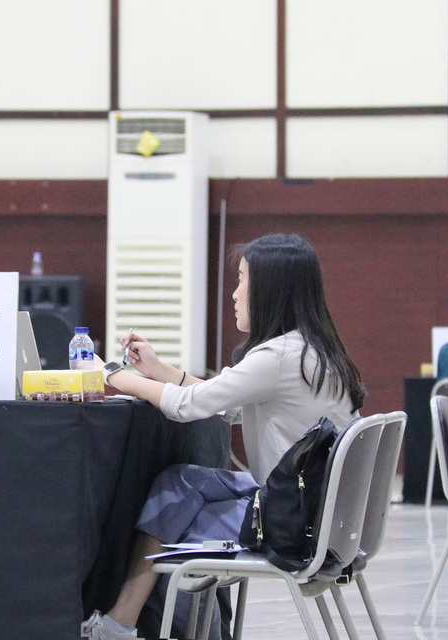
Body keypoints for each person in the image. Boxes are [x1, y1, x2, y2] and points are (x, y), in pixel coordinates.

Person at [82, 233, 366, 640]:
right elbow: (221, 402)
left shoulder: (279, 358)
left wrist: (111, 374)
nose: (234, 293)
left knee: (181, 526)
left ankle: (133, 624)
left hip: (292, 522)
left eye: (242, 279)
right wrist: (157, 370)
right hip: (315, 510)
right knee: (178, 482)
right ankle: (120, 623)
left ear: (269, 290)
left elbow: (186, 406)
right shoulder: (311, 351)